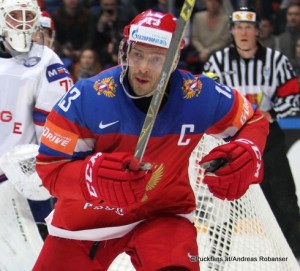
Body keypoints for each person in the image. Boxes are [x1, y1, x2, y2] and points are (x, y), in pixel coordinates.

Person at [33, 9, 269, 271]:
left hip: (163, 216)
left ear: (174, 60)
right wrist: (91, 178)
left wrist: (248, 149)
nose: (144, 67)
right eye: (138, 55)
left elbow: (253, 120)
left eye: (157, 59)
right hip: (84, 226)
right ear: (125, 51)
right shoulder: (86, 98)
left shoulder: (198, 95)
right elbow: (49, 168)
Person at [203, 6, 300, 258]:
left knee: (285, 199)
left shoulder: (277, 61)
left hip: (268, 139)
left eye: (248, 27)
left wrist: (272, 113)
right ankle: (218, 255)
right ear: (231, 31)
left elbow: (293, 97)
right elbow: (205, 96)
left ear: (258, 31)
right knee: (222, 201)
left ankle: (296, 253)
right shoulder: (217, 61)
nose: (243, 32)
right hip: (229, 140)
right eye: (238, 27)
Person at [0, 0, 73, 240]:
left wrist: (51, 170)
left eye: (27, 15)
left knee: (36, 254)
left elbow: (58, 126)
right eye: (15, 15)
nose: (21, 22)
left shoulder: (46, 61)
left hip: (23, 180)